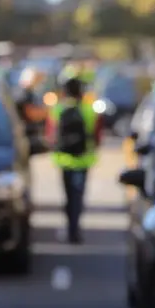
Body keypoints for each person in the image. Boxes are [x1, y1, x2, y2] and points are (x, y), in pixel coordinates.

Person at [46, 77, 101, 244]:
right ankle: (75, 229)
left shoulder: (57, 109)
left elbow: (51, 135)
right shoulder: (89, 110)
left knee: (69, 197)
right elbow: (97, 135)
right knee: (78, 197)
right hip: (83, 160)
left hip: (64, 160)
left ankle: (71, 227)